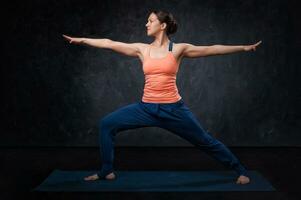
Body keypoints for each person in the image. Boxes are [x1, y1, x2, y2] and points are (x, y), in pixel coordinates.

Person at [62, 10, 261, 185]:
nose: (146, 24)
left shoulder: (178, 49)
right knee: (107, 124)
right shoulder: (143, 49)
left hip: (173, 109)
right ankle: (107, 170)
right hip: (145, 108)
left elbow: (211, 49)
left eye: (150, 21)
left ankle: (240, 171)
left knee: (205, 141)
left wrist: (243, 47)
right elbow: (109, 43)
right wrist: (83, 40)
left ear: (162, 25)